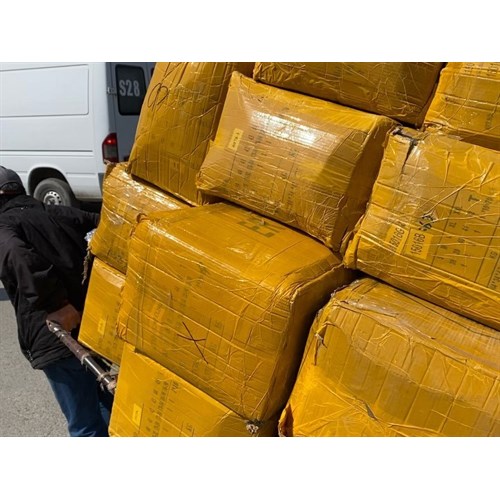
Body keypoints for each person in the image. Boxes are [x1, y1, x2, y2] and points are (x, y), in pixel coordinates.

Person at [0, 166, 113, 437]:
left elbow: (18, 255)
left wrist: (57, 305)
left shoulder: (4, 226)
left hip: (57, 336)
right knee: (105, 406)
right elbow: (104, 223)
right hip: (89, 327)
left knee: (85, 425)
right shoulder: (58, 212)